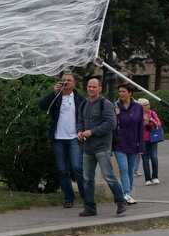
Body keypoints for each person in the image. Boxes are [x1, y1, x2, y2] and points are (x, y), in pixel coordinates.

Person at [75, 77, 127, 217]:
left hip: (102, 147)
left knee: (108, 175)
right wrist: (79, 131)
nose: (91, 89)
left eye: (94, 87)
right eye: (89, 86)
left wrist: (92, 131)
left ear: (99, 89)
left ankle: (121, 202)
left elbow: (111, 123)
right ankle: (90, 207)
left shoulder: (105, 104)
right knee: (87, 179)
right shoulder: (84, 104)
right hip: (87, 147)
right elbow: (80, 121)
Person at [38, 72, 86, 209]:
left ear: (74, 83)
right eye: (63, 80)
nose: (66, 82)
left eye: (69, 80)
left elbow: (86, 114)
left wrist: (83, 131)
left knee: (77, 168)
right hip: (59, 138)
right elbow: (41, 105)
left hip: (74, 138)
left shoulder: (79, 98)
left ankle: (85, 196)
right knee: (62, 170)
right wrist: (54, 93)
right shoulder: (56, 97)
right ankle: (68, 198)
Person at [113, 83, 144, 204]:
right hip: (119, 143)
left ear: (130, 93)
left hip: (133, 142)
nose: (121, 94)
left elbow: (140, 127)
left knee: (131, 170)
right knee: (124, 169)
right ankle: (126, 193)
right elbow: (110, 124)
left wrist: (141, 146)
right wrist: (114, 115)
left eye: (123, 91)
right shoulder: (115, 106)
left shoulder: (138, 107)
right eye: (119, 91)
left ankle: (128, 194)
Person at [138, 98, 163, 185]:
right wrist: (144, 123)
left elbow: (159, 124)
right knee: (145, 160)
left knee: (154, 158)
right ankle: (148, 179)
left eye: (148, 104)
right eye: (145, 105)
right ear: (141, 107)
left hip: (153, 138)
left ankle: (155, 177)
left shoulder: (152, 113)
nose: (148, 106)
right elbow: (135, 126)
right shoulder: (138, 115)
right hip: (142, 140)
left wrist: (153, 121)